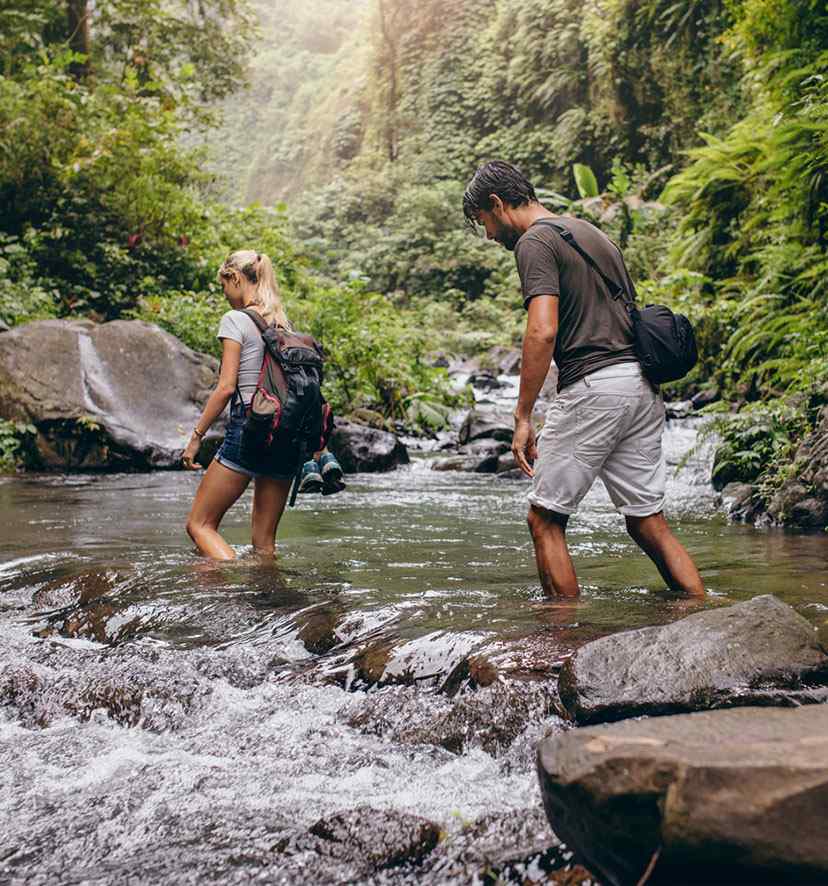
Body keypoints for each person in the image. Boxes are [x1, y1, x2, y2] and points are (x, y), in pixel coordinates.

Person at [463, 160, 704, 598]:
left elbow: (542, 329)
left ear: (497, 204)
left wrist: (522, 416)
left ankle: (562, 644)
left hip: (595, 386)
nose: (489, 236)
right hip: (641, 386)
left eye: (485, 222)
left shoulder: (534, 242)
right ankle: (703, 609)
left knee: (545, 519)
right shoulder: (591, 232)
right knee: (647, 520)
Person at [182, 249, 344, 560]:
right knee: (265, 544)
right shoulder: (283, 323)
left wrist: (196, 436)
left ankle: (231, 580)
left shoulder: (235, 320)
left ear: (235, 278)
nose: (226, 295)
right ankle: (267, 601)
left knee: (200, 525)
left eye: (224, 286)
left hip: (251, 427)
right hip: (287, 432)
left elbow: (226, 387)